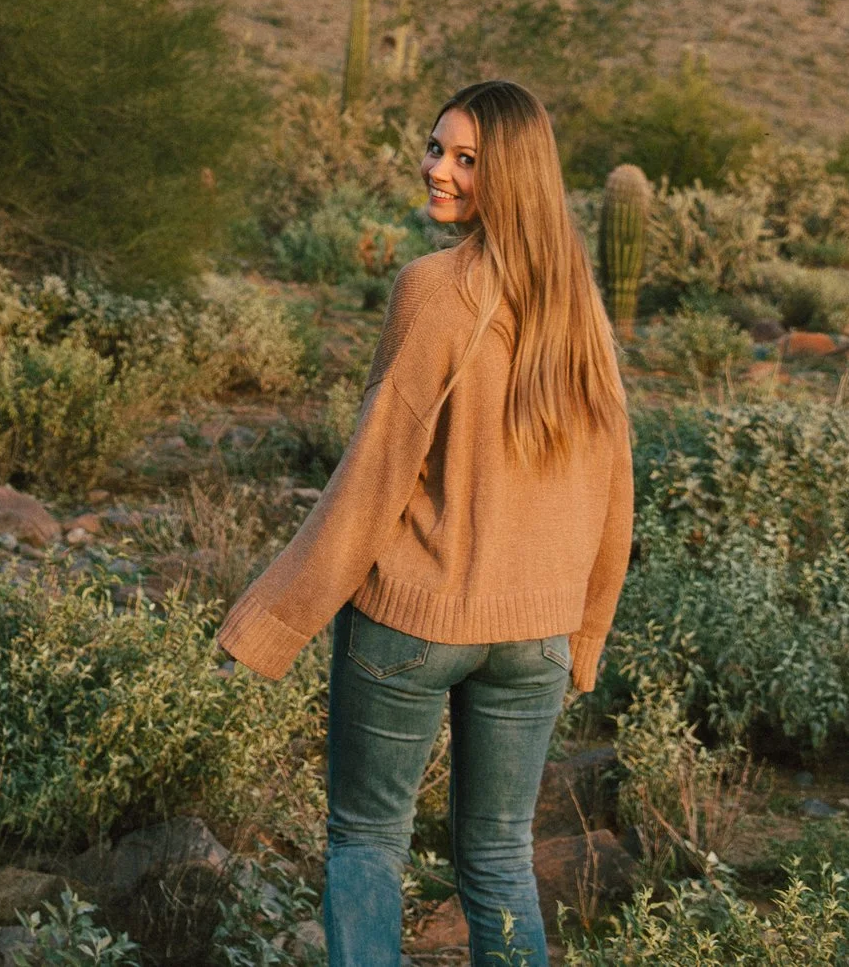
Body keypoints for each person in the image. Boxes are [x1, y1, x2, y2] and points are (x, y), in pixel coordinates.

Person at [218, 79, 632, 967]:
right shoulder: (581, 310)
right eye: (436, 147)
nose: (436, 168)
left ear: (510, 176)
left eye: (465, 158)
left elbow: (372, 479)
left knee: (367, 840)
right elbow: (613, 492)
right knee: (497, 859)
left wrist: (270, 620)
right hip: (535, 636)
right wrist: (584, 630)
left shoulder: (435, 290)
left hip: (412, 621)